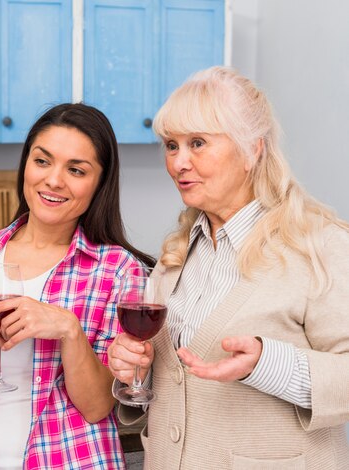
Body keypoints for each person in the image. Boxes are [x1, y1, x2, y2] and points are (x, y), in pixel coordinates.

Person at [108, 66, 349, 469]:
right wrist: (136, 372)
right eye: (171, 145)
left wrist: (266, 363)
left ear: (253, 148)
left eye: (197, 143)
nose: (178, 162)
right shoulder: (176, 256)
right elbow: (175, 385)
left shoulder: (320, 245)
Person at [0, 103, 155, 469]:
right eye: (42, 161)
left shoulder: (116, 270)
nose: (53, 180)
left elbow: (97, 406)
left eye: (76, 170)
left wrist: (68, 329)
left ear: (99, 183)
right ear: (25, 165)